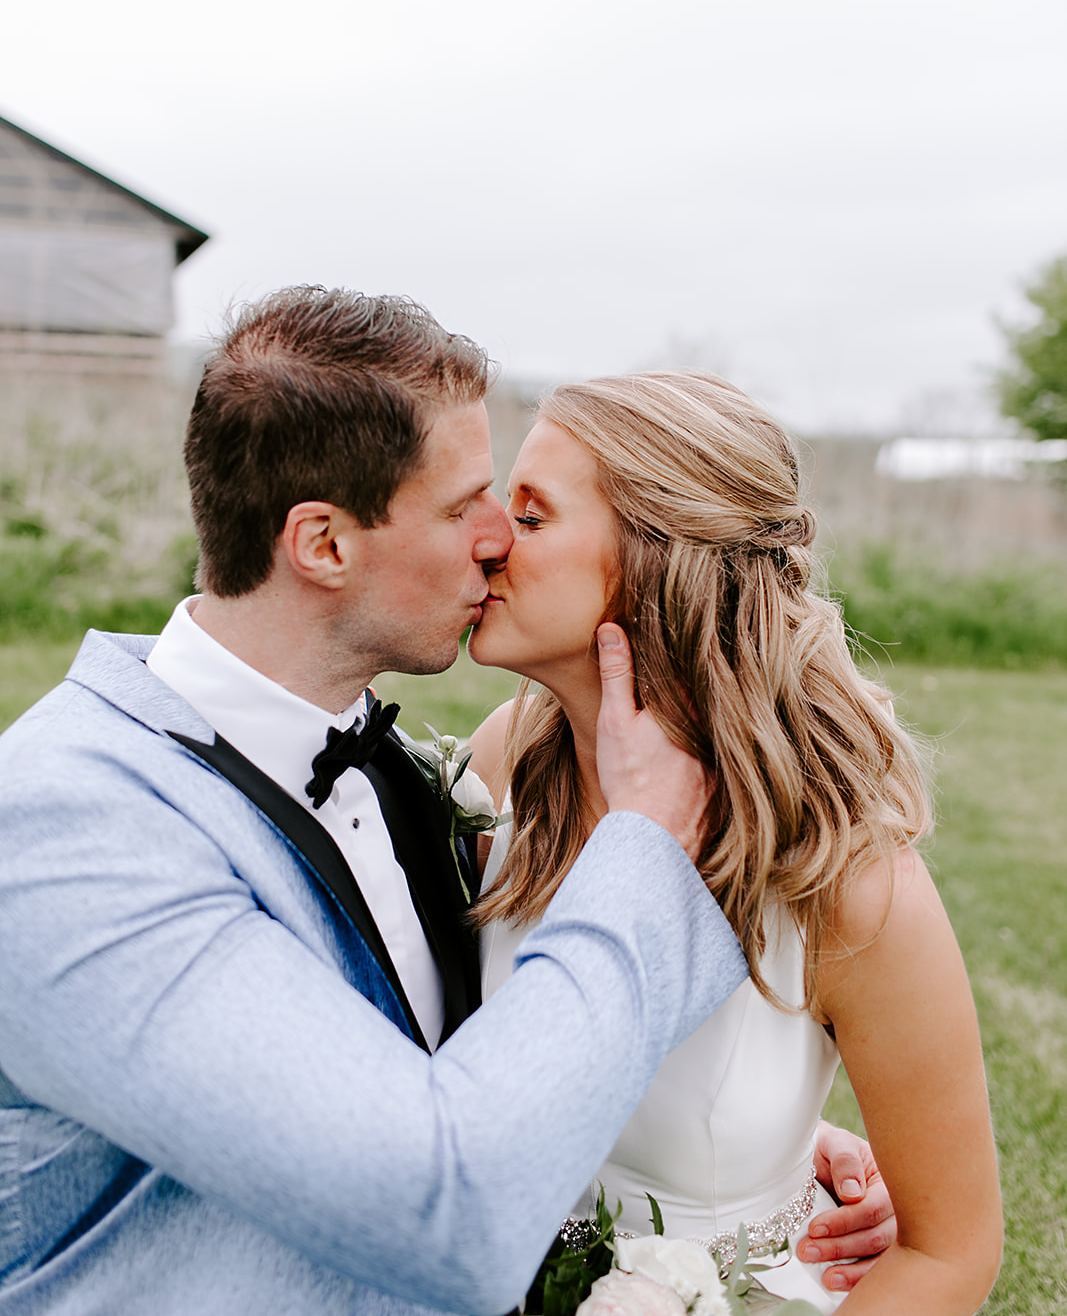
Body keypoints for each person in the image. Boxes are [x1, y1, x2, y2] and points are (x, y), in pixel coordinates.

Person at [0, 290, 754, 1315]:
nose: (500, 539)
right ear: (322, 544)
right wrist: (639, 848)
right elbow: (450, 1209)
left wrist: (734, 1164)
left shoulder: (389, 765)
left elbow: (451, 1069)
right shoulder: (65, 825)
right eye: (461, 507)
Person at [468, 371, 1003, 1313]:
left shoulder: (848, 884)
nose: (488, 541)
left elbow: (952, 1253)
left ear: (651, 562)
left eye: (533, 514)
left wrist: (781, 1160)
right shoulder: (508, 764)